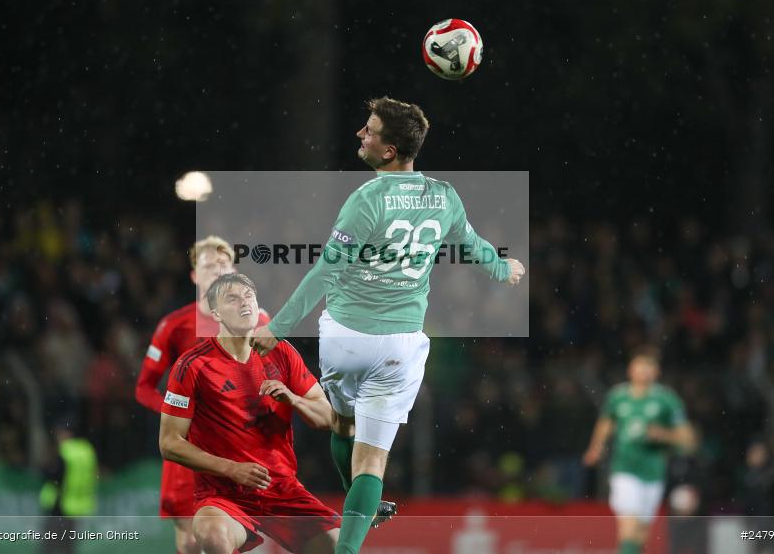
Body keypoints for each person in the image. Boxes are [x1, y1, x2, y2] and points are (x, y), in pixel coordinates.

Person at [251, 96, 526, 554]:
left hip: (345, 338)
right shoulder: (443, 196)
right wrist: (503, 269)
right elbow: (473, 245)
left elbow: (325, 270)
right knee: (373, 461)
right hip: (400, 344)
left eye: (370, 130)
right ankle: (351, 540)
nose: (361, 133)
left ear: (388, 152)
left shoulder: (366, 200)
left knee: (342, 426)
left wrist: (277, 327)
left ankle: (360, 503)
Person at [159, 273, 340, 554]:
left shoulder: (282, 353)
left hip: (282, 490)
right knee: (212, 535)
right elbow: (169, 444)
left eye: (249, 296)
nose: (244, 303)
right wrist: (232, 469)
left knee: (335, 545)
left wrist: (293, 399)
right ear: (215, 312)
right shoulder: (192, 366)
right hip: (223, 495)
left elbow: (328, 418)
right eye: (232, 298)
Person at [135, 235, 269, 554]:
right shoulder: (175, 325)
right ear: (195, 275)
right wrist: (181, 419)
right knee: (191, 542)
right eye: (210, 265)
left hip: (236, 449)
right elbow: (144, 388)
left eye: (225, 265)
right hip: (189, 454)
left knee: (228, 537)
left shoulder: (259, 320)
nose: (218, 271)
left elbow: (273, 378)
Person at [583, 346, 696, 554]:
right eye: (639, 366)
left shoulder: (667, 400)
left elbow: (689, 439)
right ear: (630, 370)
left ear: (657, 371)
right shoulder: (618, 396)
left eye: (648, 367)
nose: (643, 371)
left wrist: (665, 435)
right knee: (629, 528)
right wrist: (596, 448)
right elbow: (606, 422)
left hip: (653, 472)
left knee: (640, 535)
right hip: (625, 469)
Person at [39, 419, 98, 554]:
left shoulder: (66, 451)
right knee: (68, 547)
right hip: (79, 506)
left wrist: (44, 469)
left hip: (61, 505)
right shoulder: (87, 449)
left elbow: (55, 475)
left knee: (49, 546)